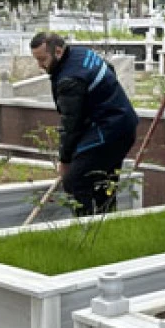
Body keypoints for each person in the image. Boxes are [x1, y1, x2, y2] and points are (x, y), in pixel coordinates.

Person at [30, 32, 140, 215]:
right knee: (104, 182)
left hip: (109, 130)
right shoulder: (82, 53)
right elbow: (109, 69)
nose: (40, 65)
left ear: (58, 51)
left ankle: (84, 225)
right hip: (124, 124)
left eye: (42, 59)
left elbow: (71, 124)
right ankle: (107, 224)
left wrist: (65, 160)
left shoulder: (69, 80)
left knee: (74, 181)